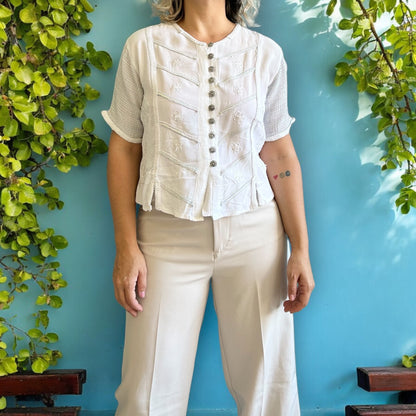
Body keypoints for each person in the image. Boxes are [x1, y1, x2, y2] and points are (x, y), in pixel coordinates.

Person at [103, 0, 315, 415]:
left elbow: (279, 155)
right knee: (146, 394)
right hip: (165, 235)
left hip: (257, 234)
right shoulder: (144, 47)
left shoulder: (265, 53)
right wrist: (126, 248)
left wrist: (301, 249)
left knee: (269, 388)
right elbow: (125, 149)